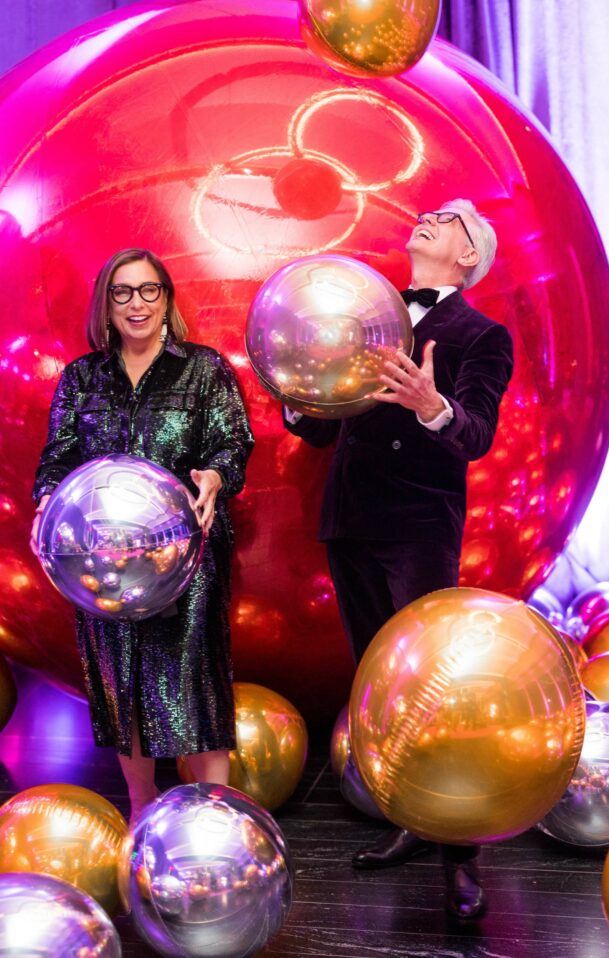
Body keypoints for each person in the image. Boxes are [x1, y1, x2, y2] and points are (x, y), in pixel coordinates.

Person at [283, 199, 514, 921]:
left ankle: (461, 856)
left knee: (436, 697)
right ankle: (410, 822)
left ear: (469, 255)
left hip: (417, 527)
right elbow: (323, 432)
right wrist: (296, 399)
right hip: (351, 520)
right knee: (379, 692)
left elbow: (474, 433)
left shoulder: (483, 334)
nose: (427, 219)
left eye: (447, 219)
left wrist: (430, 404)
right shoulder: (368, 316)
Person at [31, 248, 254, 825]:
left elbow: (234, 444)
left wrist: (216, 474)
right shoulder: (82, 378)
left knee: (194, 683)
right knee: (120, 682)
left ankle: (212, 817)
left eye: (149, 290)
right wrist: (45, 505)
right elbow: (57, 461)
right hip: (99, 563)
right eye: (123, 292)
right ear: (106, 304)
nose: (137, 303)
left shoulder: (203, 369)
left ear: (167, 299)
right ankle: (141, 809)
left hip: (188, 557)